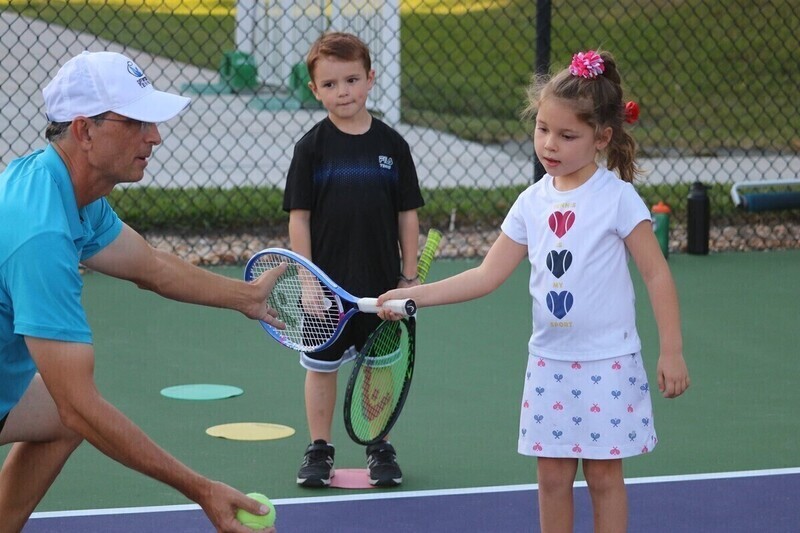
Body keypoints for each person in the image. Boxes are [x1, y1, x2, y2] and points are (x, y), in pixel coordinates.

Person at [378, 50, 690, 532]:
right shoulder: (531, 201)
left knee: (605, 477)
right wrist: (412, 298)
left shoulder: (618, 199)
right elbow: (485, 275)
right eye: (543, 128)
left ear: (602, 138)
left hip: (609, 361)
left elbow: (656, 274)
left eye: (568, 135)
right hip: (550, 364)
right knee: (551, 479)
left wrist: (671, 350)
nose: (550, 143)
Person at [0, 51, 282, 533]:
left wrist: (246, 297)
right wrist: (200, 489)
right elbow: (79, 405)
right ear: (85, 131)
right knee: (72, 411)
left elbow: (151, 267)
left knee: (59, 420)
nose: (155, 136)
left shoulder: (69, 189)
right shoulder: (41, 232)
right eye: (136, 122)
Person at [283, 32, 424, 488]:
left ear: (370, 80)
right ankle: (319, 448)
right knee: (321, 369)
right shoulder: (311, 149)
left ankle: (378, 444)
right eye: (330, 84)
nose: (342, 91)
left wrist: (406, 278)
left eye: (351, 80)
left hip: (382, 287)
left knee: (378, 371)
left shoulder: (393, 146)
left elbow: (408, 216)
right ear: (314, 90)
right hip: (327, 292)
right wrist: (308, 281)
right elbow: (299, 220)